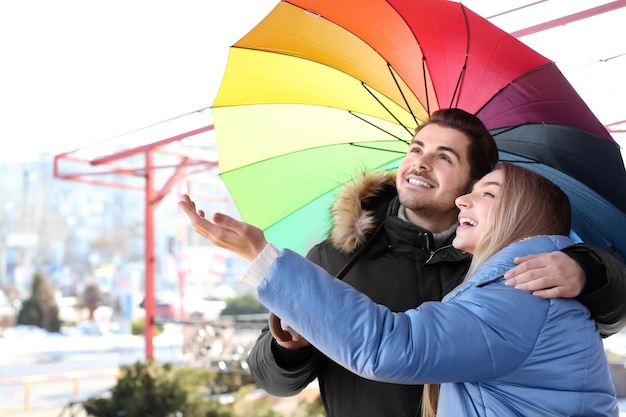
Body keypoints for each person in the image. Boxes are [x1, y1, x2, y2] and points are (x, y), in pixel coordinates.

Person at [178, 162, 619, 416]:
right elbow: (271, 376)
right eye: (416, 148)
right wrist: (287, 348)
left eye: (483, 191)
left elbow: (392, 346)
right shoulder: (334, 256)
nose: (422, 162)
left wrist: (263, 258)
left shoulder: (522, 287)